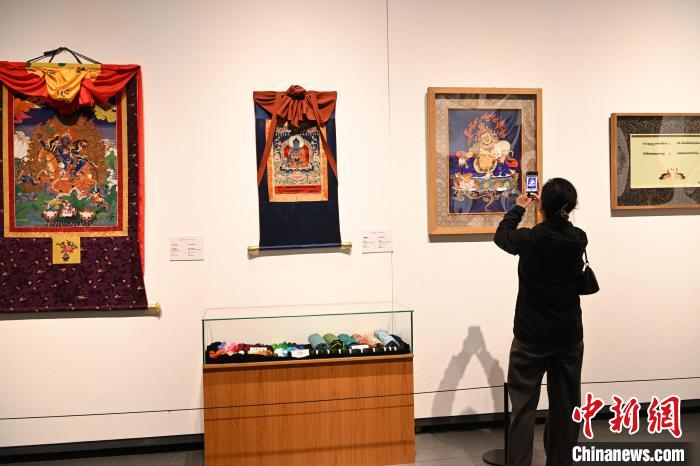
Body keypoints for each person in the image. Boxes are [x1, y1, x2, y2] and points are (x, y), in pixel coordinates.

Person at [494, 178, 588, 466]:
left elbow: (502, 236)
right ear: (571, 207)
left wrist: (519, 207)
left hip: (530, 337)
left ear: (542, 205)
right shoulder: (579, 238)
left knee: (523, 408)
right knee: (566, 406)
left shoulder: (530, 239)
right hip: (568, 335)